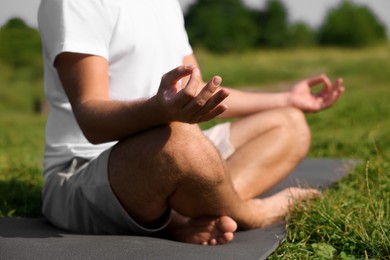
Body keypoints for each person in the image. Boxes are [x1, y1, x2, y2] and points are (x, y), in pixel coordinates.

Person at [38, 0, 344, 246]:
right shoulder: (73, 3)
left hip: (176, 148)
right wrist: (159, 111)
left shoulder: (165, 4)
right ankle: (252, 213)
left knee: (289, 123)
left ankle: (189, 215)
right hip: (82, 173)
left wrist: (287, 99)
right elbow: (92, 120)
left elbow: (199, 96)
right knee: (180, 140)